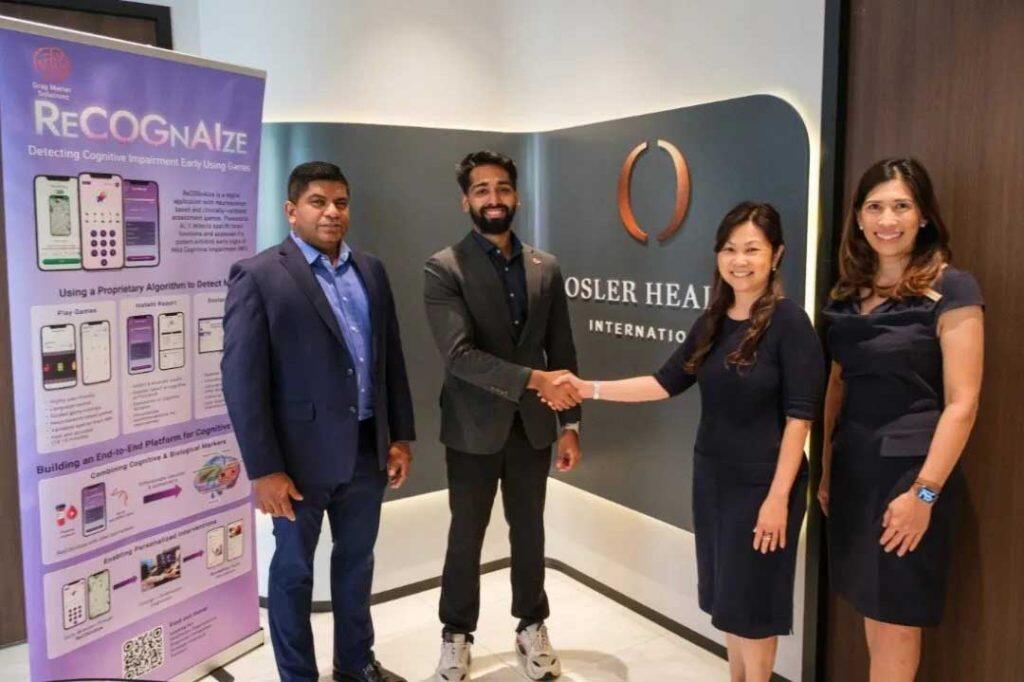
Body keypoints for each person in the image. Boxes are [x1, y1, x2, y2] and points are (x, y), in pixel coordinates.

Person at [553, 202, 824, 682]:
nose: (740, 260)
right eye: (730, 249)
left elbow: (800, 420)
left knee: (754, 607)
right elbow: (663, 383)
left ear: (777, 255)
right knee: (728, 602)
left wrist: (778, 499)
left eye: (752, 249)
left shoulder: (789, 323)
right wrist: (587, 388)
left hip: (763, 487)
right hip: (714, 480)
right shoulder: (713, 321)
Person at [222, 161, 415, 682]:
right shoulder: (259, 275)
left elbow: (390, 358)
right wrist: (264, 470)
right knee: (293, 574)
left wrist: (399, 436)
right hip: (296, 464)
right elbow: (241, 380)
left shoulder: (371, 270)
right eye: (318, 202)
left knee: (357, 564)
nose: (332, 212)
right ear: (292, 210)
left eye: (341, 202)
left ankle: (355, 664)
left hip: (367, 453)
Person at [819, 158, 984, 681]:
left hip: (908, 477)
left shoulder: (953, 288)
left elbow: (963, 402)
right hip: (853, 471)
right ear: (858, 217)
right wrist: (826, 471)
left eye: (901, 206)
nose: (886, 220)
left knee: (896, 619)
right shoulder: (846, 292)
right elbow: (836, 385)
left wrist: (924, 494)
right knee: (872, 606)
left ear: (923, 216)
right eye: (874, 207)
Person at [423, 150, 583, 682]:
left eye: (503, 188)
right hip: (472, 427)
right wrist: (534, 380)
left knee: (529, 531)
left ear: (516, 196)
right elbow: (459, 356)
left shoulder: (545, 267)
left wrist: (570, 424)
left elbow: (562, 349)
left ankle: (531, 624)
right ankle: (456, 634)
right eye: (482, 190)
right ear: (466, 201)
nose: (494, 199)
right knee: (465, 535)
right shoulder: (444, 267)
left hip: (534, 427)